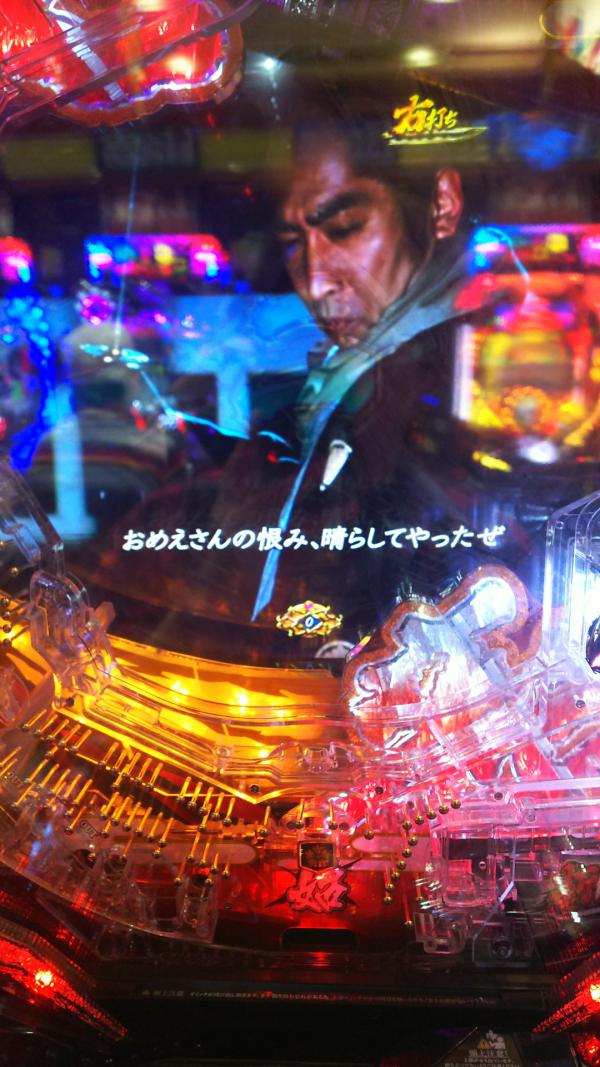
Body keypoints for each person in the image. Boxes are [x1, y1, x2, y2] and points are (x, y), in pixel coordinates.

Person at [91, 113, 526, 663]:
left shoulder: (472, 364)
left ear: (442, 204)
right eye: (293, 241)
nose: (316, 279)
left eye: (344, 228)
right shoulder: (357, 365)